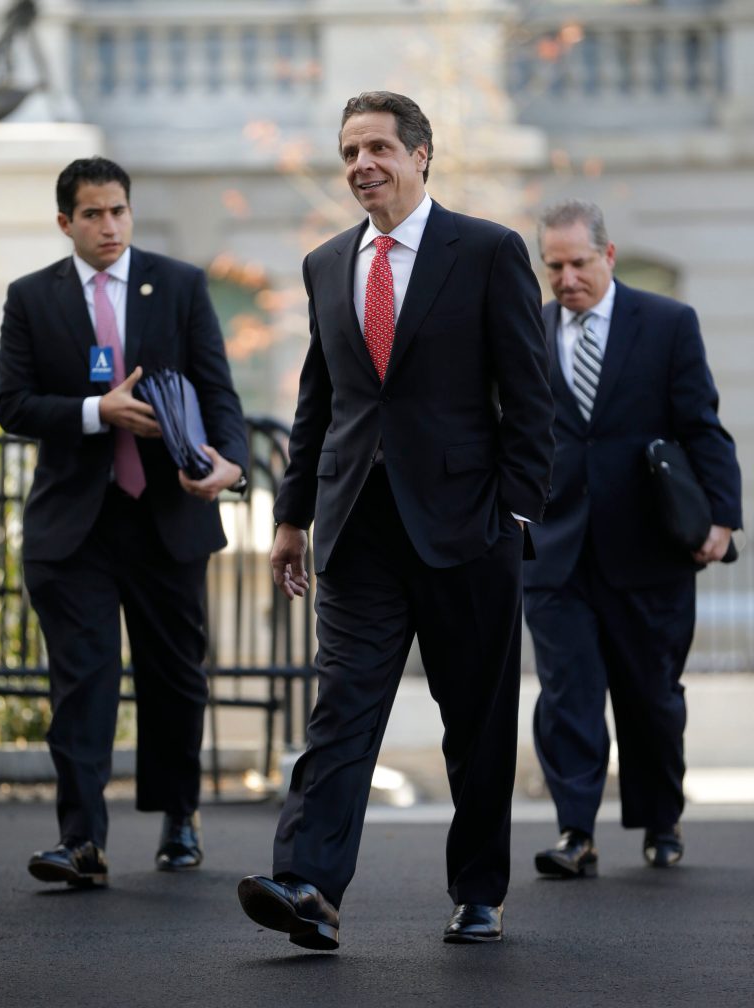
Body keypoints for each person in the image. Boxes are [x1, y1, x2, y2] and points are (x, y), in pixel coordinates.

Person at [237, 91, 554, 950]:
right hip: (357, 528)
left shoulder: (486, 251)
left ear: (420, 155)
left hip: (468, 527)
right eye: (349, 151)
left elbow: (531, 396)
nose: (361, 165)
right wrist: (292, 516)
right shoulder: (325, 263)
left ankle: (479, 891)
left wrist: (515, 509)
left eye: (377, 147)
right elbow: (320, 401)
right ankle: (308, 884)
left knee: (476, 721)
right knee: (341, 708)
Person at [0, 157, 249, 887]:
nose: (109, 226)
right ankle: (80, 840)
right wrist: (93, 411)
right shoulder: (32, 297)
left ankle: (179, 816)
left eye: (119, 211)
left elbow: (217, 388)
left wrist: (231, 462)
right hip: (76, 526)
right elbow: (11, 403)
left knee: (175, 676)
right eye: (93, 214)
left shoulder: (180, 284)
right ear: (65, 222)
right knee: (83, 681)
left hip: (166, 515)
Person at [525, 199, 742, 879]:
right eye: (554, 266)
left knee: (652, 696)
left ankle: (661, 819)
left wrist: (722, 518)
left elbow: (702, 426)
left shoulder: (668, 323)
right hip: (557, 551)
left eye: (578, 263)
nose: (566, 278)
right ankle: (575, 831)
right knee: (567, 694)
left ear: (608, 255)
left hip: (649, 548)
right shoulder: (528, 330)